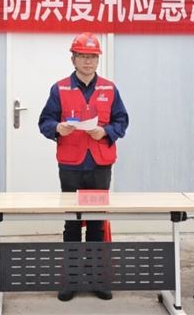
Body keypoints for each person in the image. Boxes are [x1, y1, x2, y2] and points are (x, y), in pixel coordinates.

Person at [38, 32, 129, 302]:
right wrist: (58, 128)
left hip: (100, 164)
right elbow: (44, 121)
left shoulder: (109, 89)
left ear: (97, 60)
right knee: (73, 223)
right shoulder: (59, 89)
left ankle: (98, 279)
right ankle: (71, 279)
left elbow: (122, 121)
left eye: (92, 57)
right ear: (73, 59)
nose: (88, 62)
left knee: (97, 223)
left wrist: (106, 132)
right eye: (82, 56)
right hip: (71, 166)